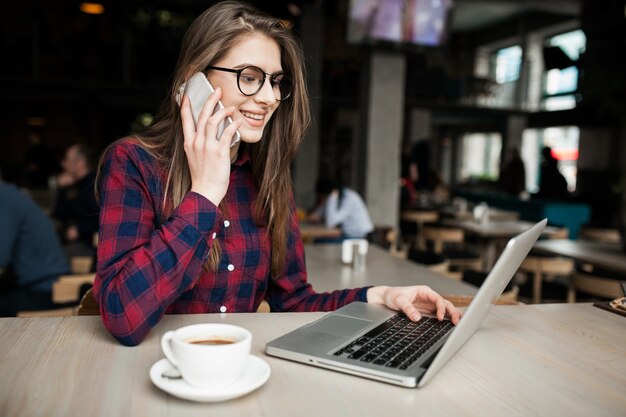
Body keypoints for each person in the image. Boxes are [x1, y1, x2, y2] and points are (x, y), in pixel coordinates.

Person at [94, 1, 460, 346]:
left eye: (275, 81)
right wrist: (205, 193)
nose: (269, 96)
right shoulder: (134, 163)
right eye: (250, 77)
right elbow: (122, 316)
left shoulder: (265, 176)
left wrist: (379, 296)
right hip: (156, 371)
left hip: (240, 374)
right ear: (195, 81)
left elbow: (294, 301)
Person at [0, 180, 70, 316]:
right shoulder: (11, 195)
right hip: (42, 284)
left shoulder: (5, 197)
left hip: (45, 289)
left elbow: (1, 257)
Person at [52, 144, 99, 256]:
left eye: (67, 159)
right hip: (73, 242)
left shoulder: (91, 184)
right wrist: (62, 189)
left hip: (89, 245)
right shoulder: (77, 185)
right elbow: (60, 213)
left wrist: (79, 229)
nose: (63, 163)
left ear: (81, 163)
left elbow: (100, 216)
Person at [309, 177, 374, 240]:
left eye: (323, 196)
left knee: (320, 242)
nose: (322, 199)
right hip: (347, 234)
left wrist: (332, 197)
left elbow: (331, 222)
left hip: (358, 236)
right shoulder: (338, 197)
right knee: (319, 240)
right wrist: (316, 214)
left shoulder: (350, 198)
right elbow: (318, 213)